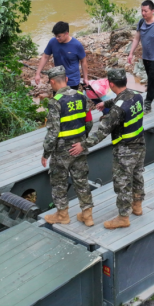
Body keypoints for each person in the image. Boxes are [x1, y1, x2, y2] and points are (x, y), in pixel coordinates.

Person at [70, 68, 145, 230]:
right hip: (139, 143)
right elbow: (122, 99)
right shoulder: (137, 96)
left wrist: (83, 145)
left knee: (122, 182)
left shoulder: (117, 110)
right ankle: (137, 205)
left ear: (111, 84)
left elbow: (101, 133)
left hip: (125, 149)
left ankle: (123, 217)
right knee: (137, 175)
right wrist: (107, 103)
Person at [40, 67, 94, 227]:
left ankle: (62, 214)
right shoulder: (81, 97)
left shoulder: (55, 102)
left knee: (59, 182)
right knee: (81, 180)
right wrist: (82, 141)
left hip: (62, 151)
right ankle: (87, 215)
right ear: (67, 80)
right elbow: (89, 122)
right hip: (79, 146)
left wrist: (46, 152)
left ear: (52, 82)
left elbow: (53, 132)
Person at [33, 22, 87, 90]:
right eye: (55, 36)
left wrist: (85, 78)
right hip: (58, 78)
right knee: (58, 98)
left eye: (59, 36)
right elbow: (45, 57)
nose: (57, 38)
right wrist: (38, 73)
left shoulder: (77, 45)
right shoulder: (52, 42)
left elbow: (83, 61)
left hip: (72, 79)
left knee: (71, 99)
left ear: (66, 34)